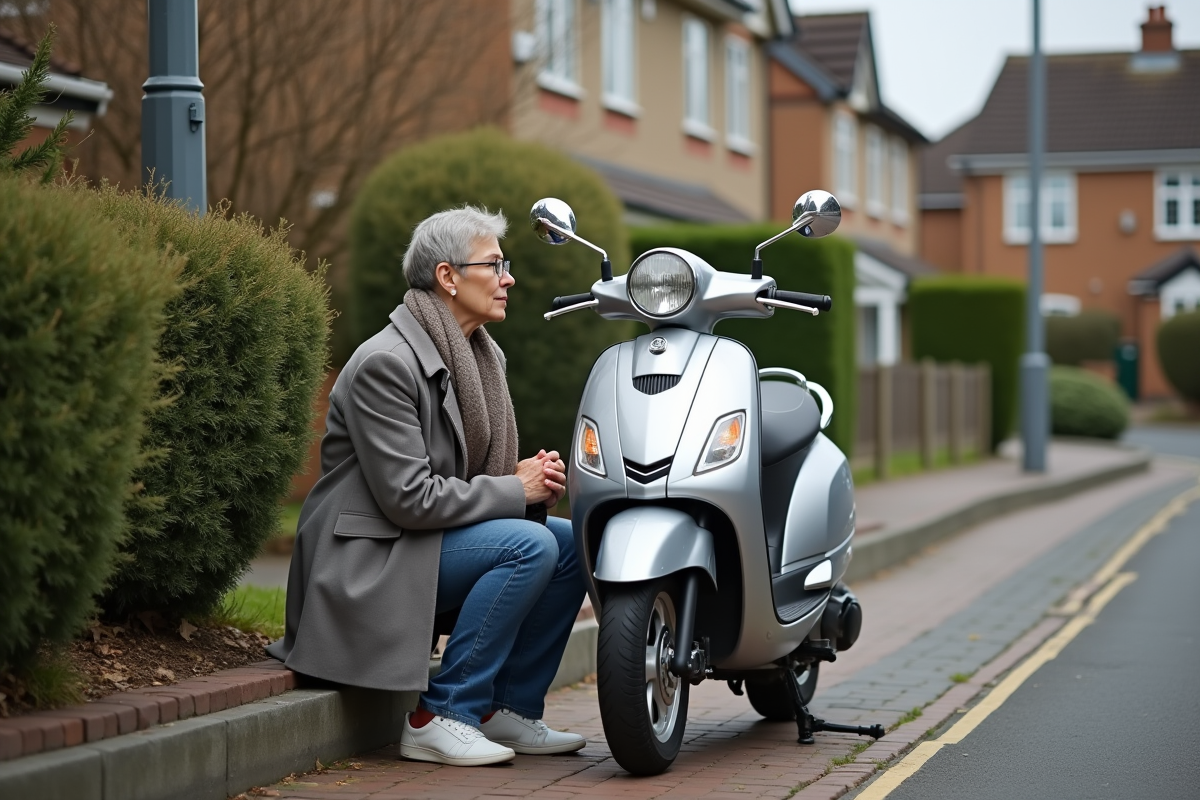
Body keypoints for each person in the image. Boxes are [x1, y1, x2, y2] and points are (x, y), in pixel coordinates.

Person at [267, 206, 586, 767]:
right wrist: (514, 489)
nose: (509, 277)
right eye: (495, 264)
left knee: (570, 543)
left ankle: (501, 709)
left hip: (417, 545)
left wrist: (529, 487)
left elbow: (464, 480)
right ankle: (439, 716)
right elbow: (410, 498)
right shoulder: (386, 364)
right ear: (448, 276)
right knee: (529, 545)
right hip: (367, 562)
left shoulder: (480, 355)